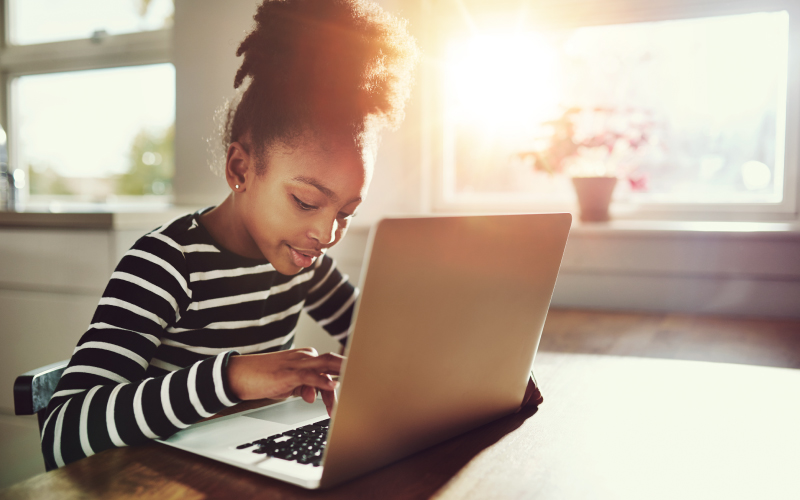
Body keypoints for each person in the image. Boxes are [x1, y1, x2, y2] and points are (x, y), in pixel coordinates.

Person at [41, 0, 540, 471]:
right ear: (240, 167)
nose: (326, 233)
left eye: (346, 212)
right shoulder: (166, 264)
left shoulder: (305, 264)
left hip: (242, 468)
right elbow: (62, 433)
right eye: (305, 202)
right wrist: (232, 378)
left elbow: (377, 342)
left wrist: (480, 381)